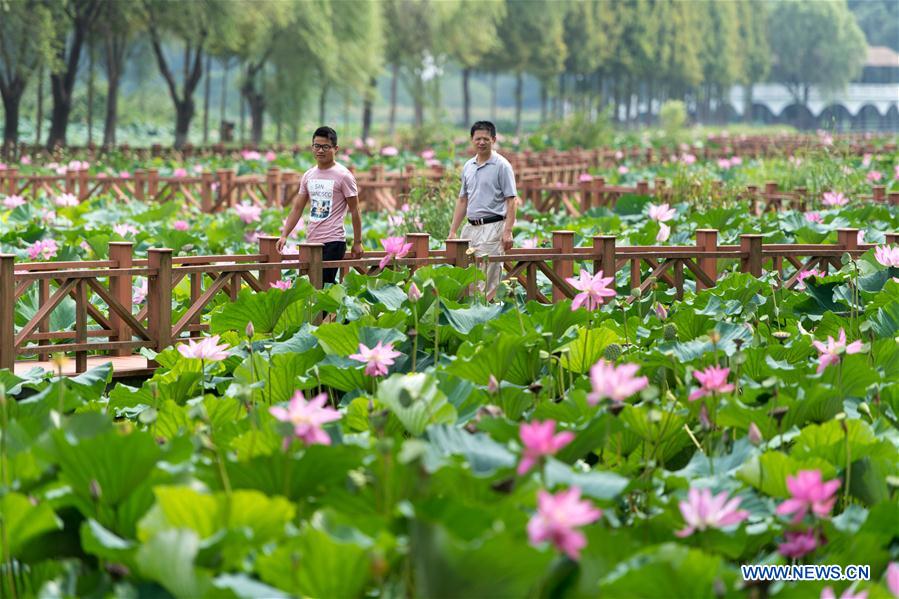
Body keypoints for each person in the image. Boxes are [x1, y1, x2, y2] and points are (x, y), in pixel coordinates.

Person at [277, 126, 363, 284]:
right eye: (317, 146)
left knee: (322, 285)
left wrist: (357, 242)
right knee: (313, 287)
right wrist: (284, 235)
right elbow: (297, 208)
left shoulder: (344, 176)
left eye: (325, 147)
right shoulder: (308, 175)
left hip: (334, 240)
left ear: (335, 148)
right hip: (312, 241)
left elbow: (355, 210)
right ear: (312, 147)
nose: (320, 150)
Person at [448, 120, 518, 299]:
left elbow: (511, 200)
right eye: (478, 139)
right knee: (467, 279)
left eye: (486, 139)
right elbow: (463, 200)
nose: (481, 142)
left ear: (493, 140)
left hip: (493, 227)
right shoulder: (468, 166)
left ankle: (487, 313)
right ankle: (471, 313)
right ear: (472, 140)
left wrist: (508, 231)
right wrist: (453, 231)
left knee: (487, 281)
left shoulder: (502, 166)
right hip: (470, 228)